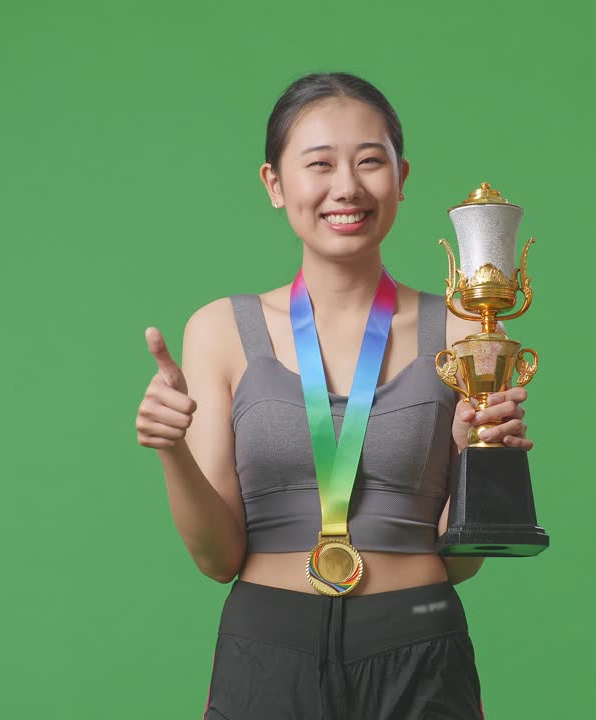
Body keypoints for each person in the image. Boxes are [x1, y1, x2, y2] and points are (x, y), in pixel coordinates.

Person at [135, 72, 532, 720]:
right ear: (274, 183)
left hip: (420, 645)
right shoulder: (219, 330)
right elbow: (217, 559)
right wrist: (170, 448)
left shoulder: (465, 334)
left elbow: (460, 566)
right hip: (267, 650)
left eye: (369, 161)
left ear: (401, 178)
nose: (346, 186)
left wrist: (479, 460)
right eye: (319, 163)